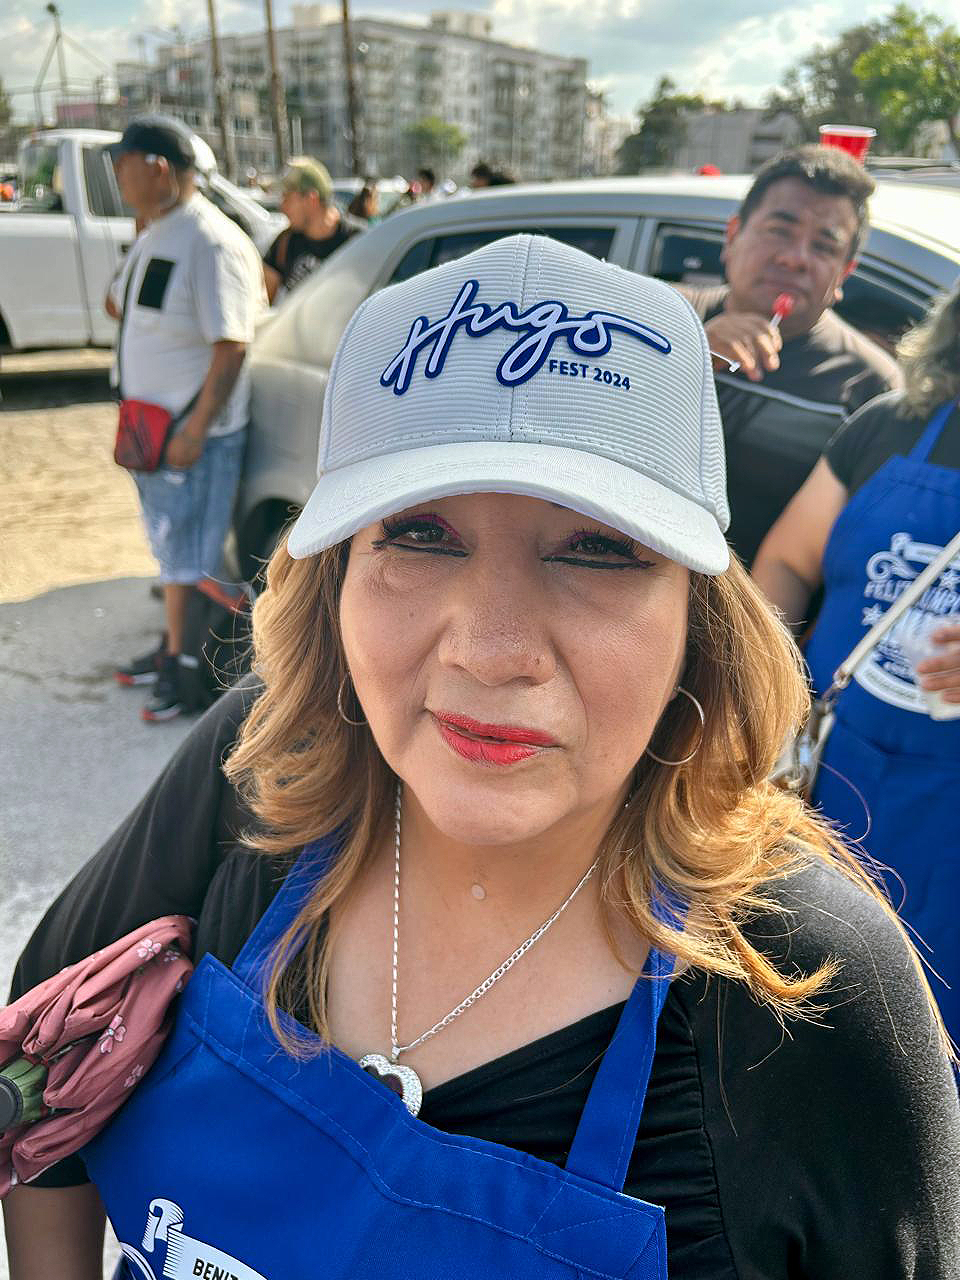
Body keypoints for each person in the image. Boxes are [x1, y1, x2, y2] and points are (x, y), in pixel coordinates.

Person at [5, 236, 959, 1279]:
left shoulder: (813, 995)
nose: (493, 651)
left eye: (597, 548)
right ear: (334, 578)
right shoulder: (261, 770)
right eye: (420, 534)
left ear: (697, 617)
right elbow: (46, 1061)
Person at [753, 281, 960, 1043]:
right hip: (821, 787)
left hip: (948, 837)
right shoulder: (890, 426)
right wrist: (763, 706)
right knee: (783, 1009)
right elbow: (785, 564)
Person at [105, 116, 267, 723]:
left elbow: (232, 345)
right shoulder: (160, 232)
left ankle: (191, 669)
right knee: (171, 547)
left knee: (191, 558)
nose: (116, 175)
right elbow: (117, 305)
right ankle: (174, 648)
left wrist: (195, 429)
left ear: (157, 167)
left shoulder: (211, 242)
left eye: (122, 163)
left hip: (191, 434)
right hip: (151, 427)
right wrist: (139, 234)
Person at [681, 143, 901, 568]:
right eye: (780, 231)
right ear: (732, 236)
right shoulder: (658, 318)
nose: (794, 258)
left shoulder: (868, 385)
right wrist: (686, 355)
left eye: (823, 246)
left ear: (844, 274)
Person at [262, 157, 364, 303]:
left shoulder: (358, 240)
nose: (282, 207)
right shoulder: (284, 243)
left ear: (311, 198)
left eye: (287, 197)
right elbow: (264, 300)